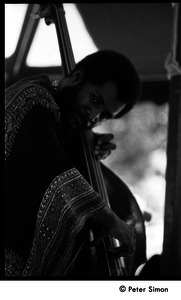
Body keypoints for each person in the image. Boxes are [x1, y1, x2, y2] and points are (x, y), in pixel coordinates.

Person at [5, 50, 142, 277]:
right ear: (76, 78)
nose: (94, 117)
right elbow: (47, 161)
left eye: (105, 115)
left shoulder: (57, 117)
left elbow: (52, 137)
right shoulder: (31, 97)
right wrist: (106, 216)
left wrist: (88, 145)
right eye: (95, 99)